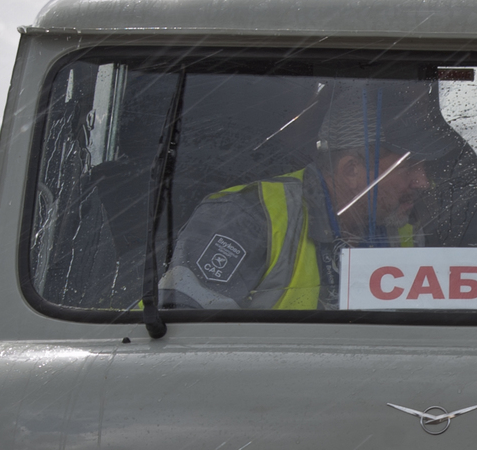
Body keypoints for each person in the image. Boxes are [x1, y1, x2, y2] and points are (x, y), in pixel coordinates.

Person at [161, 87, 455, 310]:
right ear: (351, 169)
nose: (423, 182)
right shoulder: (248, 217)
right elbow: (183, 344)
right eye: (407, 167)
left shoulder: (401, 227)